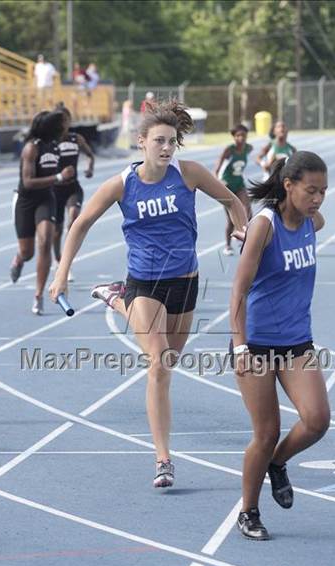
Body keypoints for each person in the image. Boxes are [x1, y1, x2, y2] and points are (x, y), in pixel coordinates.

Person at [49, 100, 248, 487]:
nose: (166, 148)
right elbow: (81, 223)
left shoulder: (188, 174)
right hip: (144, 283)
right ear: (141, 142)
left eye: (172, 141)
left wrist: (241, 228)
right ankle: (163, 459)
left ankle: (114, 298)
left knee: (169, 362)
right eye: (158, 141)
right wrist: (62, 273)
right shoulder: (124, 184)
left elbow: (232, 201)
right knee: (157, 365)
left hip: (185, 282)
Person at [230, 152, 330, 540]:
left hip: (296, 342)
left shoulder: (311, 220)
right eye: (311, 190)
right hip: (255, 344)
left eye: (323, 191)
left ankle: (278, 463)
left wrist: (313, 210)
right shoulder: (264, 225)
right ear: (289, 185)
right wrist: (239, 347)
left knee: (318, 420)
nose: (318, 199)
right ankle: (248, 511)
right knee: (266, 430)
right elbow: (237, 291)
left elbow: (317, 219)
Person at [10, 110, 75, 314]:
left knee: (46, 241)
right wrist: (58, 178)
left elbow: (64, 173)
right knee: (28, 252)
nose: (66, 128)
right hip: (26, 201)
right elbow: (28, 182)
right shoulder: (31, 148)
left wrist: (69, 178)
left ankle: (38, 295)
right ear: (52, 128)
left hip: (46, 199)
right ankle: (19, 258)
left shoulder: (56, 147)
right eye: (62, 124)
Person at [53, 105, 95, 281]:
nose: (64, 124)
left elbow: (90, 155)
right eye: (60, 121)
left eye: (66, 120)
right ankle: (58, 260)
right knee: (56, 231)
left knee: (74, 218)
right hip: (54, 190)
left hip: (72, 188)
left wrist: (89, 169)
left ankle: (66, 264)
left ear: (70, 121)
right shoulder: (50, 142)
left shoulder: (76, 138)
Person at [215, 124, 253, 256]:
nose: (241, 138)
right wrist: (218, 181)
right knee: (231, 219)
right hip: (227, 186)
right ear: (233, 137)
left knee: (248, 210)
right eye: (238, 135)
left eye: (243, 135)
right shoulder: (229, 150)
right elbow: (218, 165)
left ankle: (243, 236)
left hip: (239, 184)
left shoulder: (248, 148)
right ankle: (227, 245)